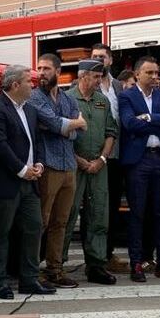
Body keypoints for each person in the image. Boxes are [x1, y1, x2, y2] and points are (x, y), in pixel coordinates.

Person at [0, 65, 54, 300]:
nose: (32, 86)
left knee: (34, 228)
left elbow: (37, 141)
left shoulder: (30, 110)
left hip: (30, 182)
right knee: (1, 232)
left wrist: (39, 164)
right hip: (7, 182)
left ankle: (29, 279)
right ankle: (1, 282)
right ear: (15, 85)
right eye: (28, 82)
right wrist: (22, 170)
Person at [118, 56, 160, 283]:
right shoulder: (126, 96)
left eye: (157, 73)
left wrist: (147, 117)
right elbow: (129, 123)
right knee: (138, 213)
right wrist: (159, 120)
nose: (155, 77)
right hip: (139, 161)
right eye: (150, 73)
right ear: (137, 75)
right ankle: (137, 262)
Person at [29, 54, 88, 288]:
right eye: (39, 68)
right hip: (48, 165)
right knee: (41, 221)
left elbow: (79, 131)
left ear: (57, 71)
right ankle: (32, 271)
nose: (40, 73)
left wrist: (65, 126)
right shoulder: (35, 98)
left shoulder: (67, 98)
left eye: (46, 69)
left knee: (61, 222)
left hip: (68, 167)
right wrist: (69, 124)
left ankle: (54, 269)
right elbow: (55, 124)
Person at [63, 59, 117, 285]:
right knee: (67, 214)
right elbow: (61, 134)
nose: (99, 81)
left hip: (98, 167)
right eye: (96, 77)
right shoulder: (67, 99)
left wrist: (102, 159)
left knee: (98, 215)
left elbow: (110, 132)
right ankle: (57, 264)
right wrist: (80, 161)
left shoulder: (102, 101)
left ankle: (96, 265)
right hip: (73, 166)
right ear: (83, 76)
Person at [90, 44, 125, 272]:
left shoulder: (120, 87)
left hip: (117, 154)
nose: (98, 60)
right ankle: (93, 256)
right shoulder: (83, 84)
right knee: (95, 207)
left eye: (102, 57)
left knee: (112, 206)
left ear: (110, 60)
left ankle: (108, 253)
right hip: (94, 155)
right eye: (94, 57)